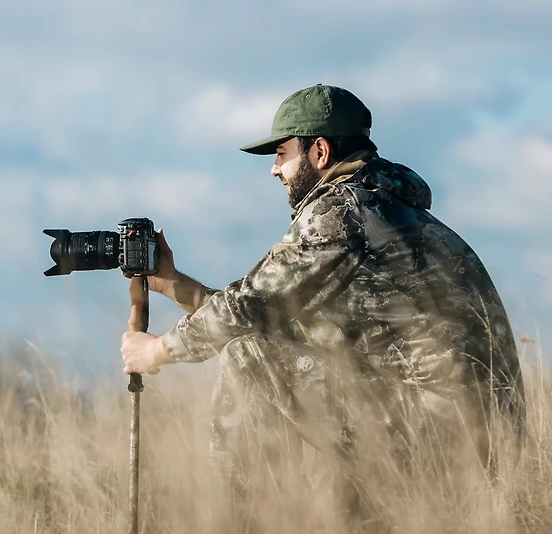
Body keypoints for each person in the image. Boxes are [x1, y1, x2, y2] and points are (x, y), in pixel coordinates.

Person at [120, 83, 526, 519]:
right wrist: (174, 285)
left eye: (281, 154)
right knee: (281, 349)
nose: (274, 170)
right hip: (477, 442)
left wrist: (156, 351)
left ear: (320, 152)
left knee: (246, 355)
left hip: (441, 442)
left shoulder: (341, 213)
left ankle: (247, 522)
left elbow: (246, 309)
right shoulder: (387, 210)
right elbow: (266, 313)